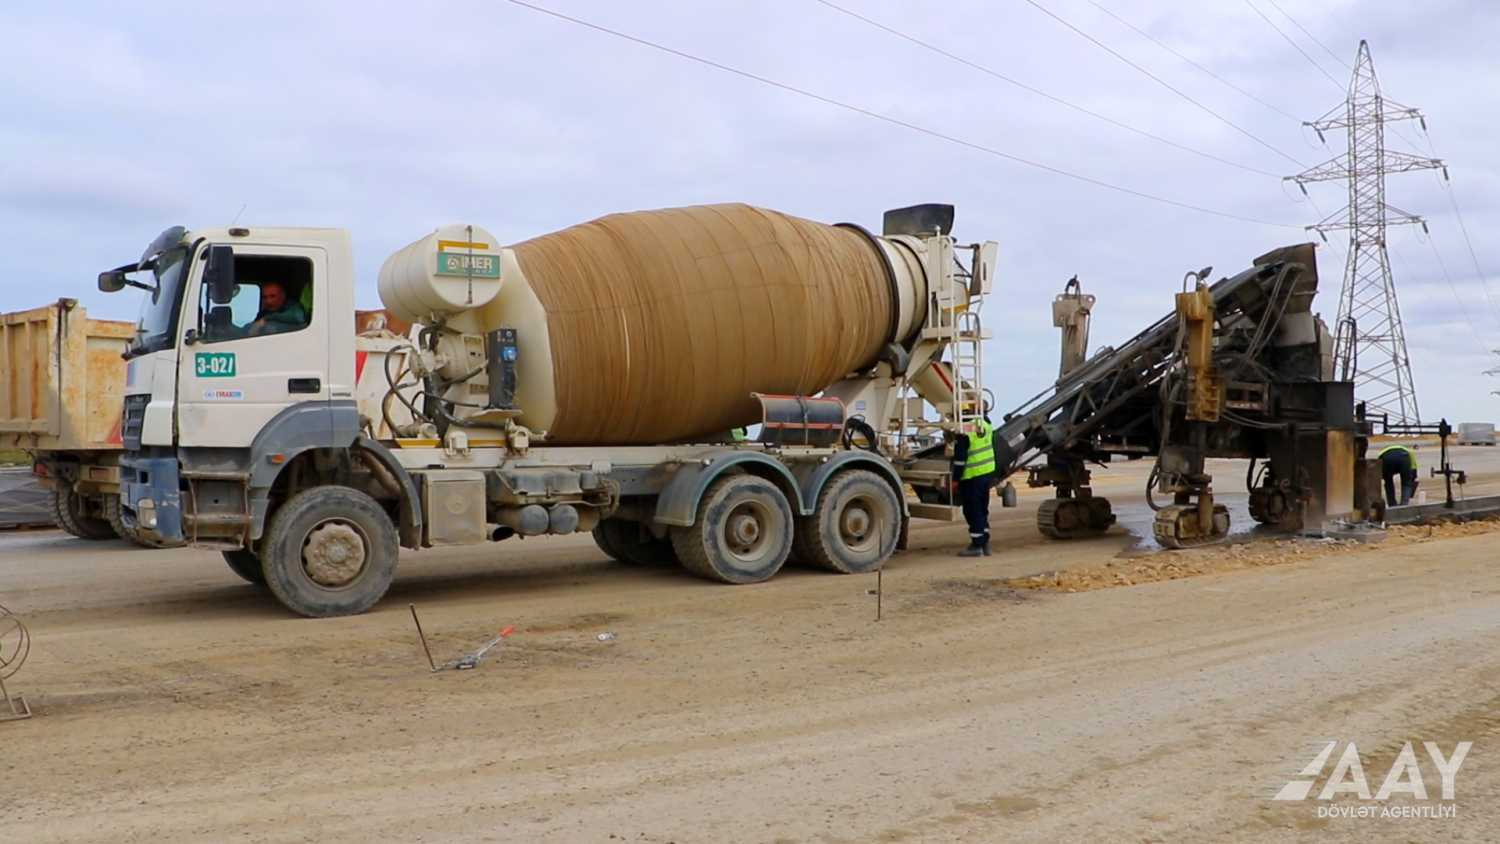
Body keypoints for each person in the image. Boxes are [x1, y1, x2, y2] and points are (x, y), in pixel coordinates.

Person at [952, 415, 998, 556]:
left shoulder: (964, 431)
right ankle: (985, 543)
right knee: (982, 509)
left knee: (972, 511)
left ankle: (977, 546)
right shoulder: (986, 423)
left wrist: (955, 479)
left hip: (972, 476)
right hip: (986, 472)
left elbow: (960, 460)